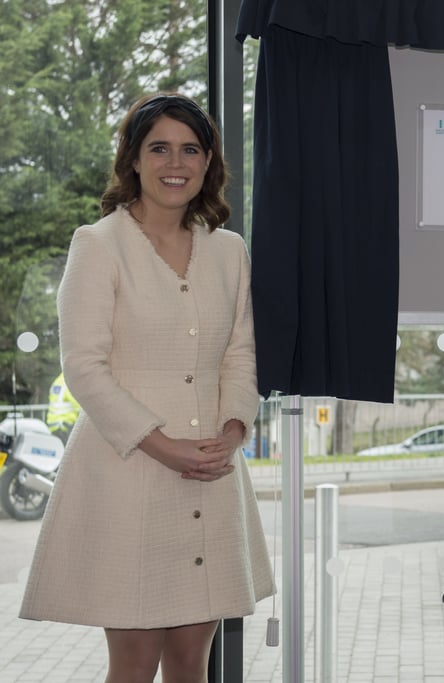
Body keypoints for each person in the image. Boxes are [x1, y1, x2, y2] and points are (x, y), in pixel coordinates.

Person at [20, 93, 274, 682]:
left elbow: (241, 353)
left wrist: (233, 432)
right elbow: (83, 366)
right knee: (134, 666)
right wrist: (164, 446)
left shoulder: (229, 252)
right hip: (129, 471)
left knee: (191, 663)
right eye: (158, 147)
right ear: (133, 158)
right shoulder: (99, 244)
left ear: (209, 162)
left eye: (190, 149)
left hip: (210, 474)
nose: (174, 162)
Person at [45, 371, 80, 443]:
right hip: (64, 425)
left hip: (53, 425)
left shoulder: (57, 381)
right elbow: (79, 404)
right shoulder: (69, 382)